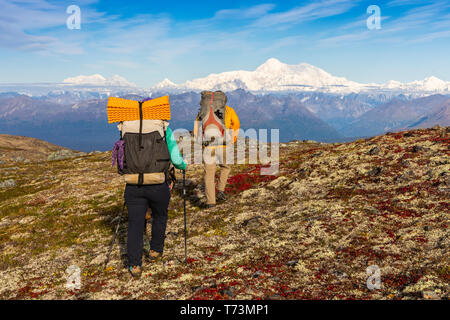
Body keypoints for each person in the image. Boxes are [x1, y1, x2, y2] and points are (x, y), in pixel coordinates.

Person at [117, 100, 187, 279]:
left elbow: (121, 157)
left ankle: (134, 264)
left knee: (135, 224)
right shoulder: (164, 128)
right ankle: (155, 250)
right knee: (160, 215)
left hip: (133, 185)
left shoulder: (126, 128)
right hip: (158, 183)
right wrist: (183, 165)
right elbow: (176, 159)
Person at [194, 98, 240, 208]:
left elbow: (196, 128)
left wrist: (201, 142)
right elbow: (236, 124)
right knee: (225, 167)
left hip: (209, 146)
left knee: (209, 174)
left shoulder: (203, 111)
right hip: (223, 145)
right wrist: (232, 140)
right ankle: (220, 190)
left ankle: (211, 202)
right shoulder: (228, 110)